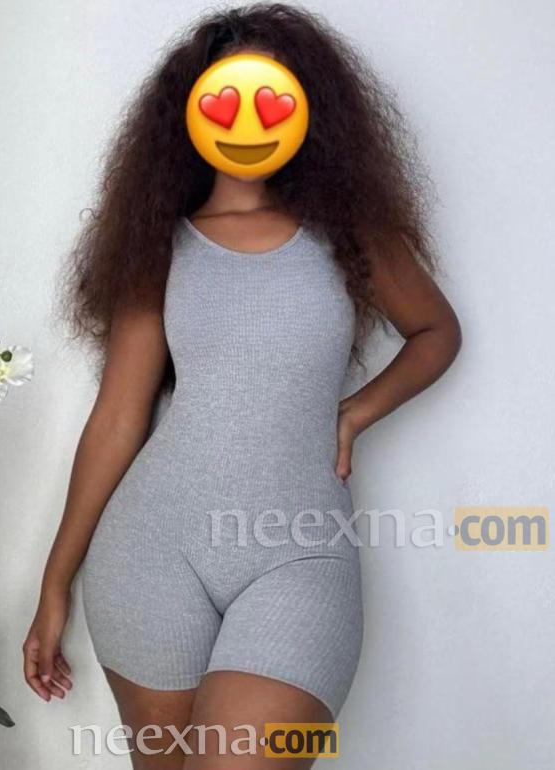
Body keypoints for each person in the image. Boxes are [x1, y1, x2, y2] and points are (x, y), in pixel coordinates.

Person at [23, 4, 461, 768]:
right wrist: (53, 584)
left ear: (308, 108)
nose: (250, 119)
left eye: (272, 97)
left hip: (299, 556)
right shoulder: (157, 245)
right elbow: (119, 415)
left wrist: (355, 413)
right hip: (151, 553)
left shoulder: (351, 233)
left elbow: (436, 332)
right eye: (227, 98)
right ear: (189, 111)